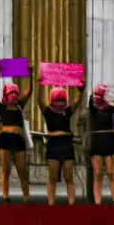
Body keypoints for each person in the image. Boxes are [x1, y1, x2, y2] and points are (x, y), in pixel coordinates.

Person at [0, 65, 34, 204]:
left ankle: (26, 199)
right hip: (6, 139)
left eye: (15, 92)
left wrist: (30, 75)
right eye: (11, 93)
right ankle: (5, 198)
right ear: (6, 95)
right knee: (5, 170)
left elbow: (29, 92)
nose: (14, 95)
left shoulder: (20, 105)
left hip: (18, 140)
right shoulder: (2, 107)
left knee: (22, 171)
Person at [38, 77, 83, 206]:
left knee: (69, 177)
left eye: (61, 99)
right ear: (52, 99)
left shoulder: (67, 111)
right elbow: (39, 101)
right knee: (52, 178)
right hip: (54, 145)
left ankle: (71, 204)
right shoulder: (48, 112)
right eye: (57, 99)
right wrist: (40, 84)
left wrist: (81, 88)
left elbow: (78, 101)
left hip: (66, 146)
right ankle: (51, 204)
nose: (59, 101)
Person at [87, 84, 114, 205]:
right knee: (97, 174)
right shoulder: (92, 107)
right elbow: (91, 98)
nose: (97, 97)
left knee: (111, 173)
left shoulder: (111, 108)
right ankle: (98, 202)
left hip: (110, 142)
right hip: (97, 142)